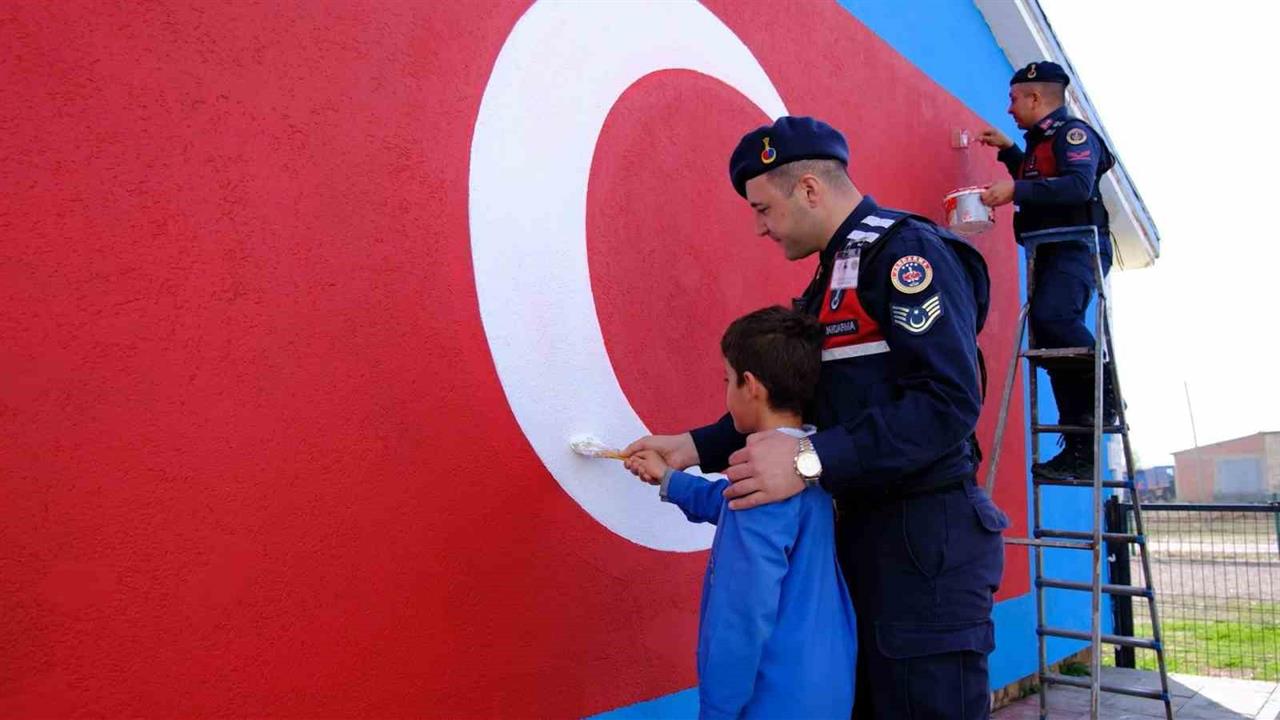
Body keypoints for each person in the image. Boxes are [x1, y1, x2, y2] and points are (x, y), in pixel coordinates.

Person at [626, 116, 1008, 719]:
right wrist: (690, 448)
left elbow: (948, 403)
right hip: (862, 537)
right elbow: (811, 402)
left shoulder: (906, 254)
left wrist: (809, 460)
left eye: (763, 208)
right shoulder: (834, 276)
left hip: (923, 546)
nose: (759, 228)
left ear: (808, 189)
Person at [627, 306, 856, 720]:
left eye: (727, 380)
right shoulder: (806, 463)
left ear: (750, 386)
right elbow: (732, 504)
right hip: (824, 688)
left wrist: (717, 710)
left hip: (770, 699)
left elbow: (741, 617)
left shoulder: (764, 483)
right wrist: (669, 479)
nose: (726, 391)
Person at [978, 60, 1118, 480]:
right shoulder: (1040, 142)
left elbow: (1077, 185)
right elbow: (1041, 177)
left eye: (1014, 98)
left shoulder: (1074, 135)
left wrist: (1016, 189)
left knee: (1054, 319)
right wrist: (1009, 154)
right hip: (1050, 251)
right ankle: (1079, 448)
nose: (1009, 108)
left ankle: (1106, 400)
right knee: (1049, 342)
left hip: (1078, 247)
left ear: (1036, 97)